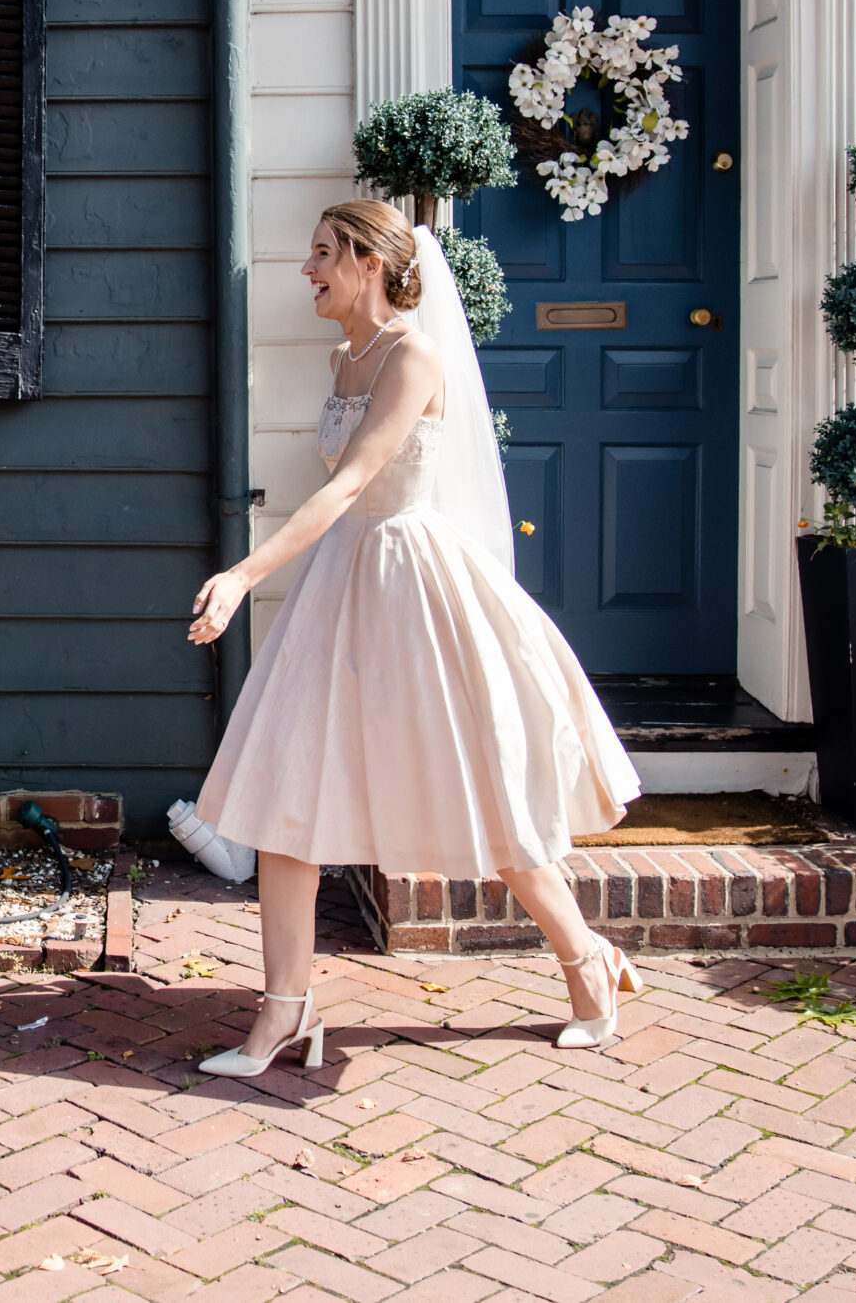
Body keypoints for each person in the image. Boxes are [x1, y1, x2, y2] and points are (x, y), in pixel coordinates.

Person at [187, 200, 644, 1066]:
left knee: (490, 801)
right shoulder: (342, 355)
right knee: (289, 795)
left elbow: (355, 484)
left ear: (367, 260)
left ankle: (588, 964)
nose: (307, 270)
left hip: (415, 593)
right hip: (341, 590)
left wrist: (247, 574)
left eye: (322, 253)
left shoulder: (413, 355)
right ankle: (285, 1008)